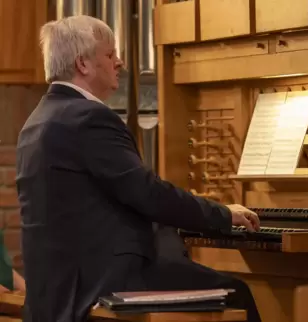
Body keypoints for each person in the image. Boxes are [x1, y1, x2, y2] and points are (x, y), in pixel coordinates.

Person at [16, 15, 262, 322]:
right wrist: (222, 214)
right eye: (110, 54)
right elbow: (148, 193)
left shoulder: (36, 121)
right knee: (237, 292)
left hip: (55, 290)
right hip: (101, 284)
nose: (119, 62)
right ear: (83, 64)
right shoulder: (88, 118)